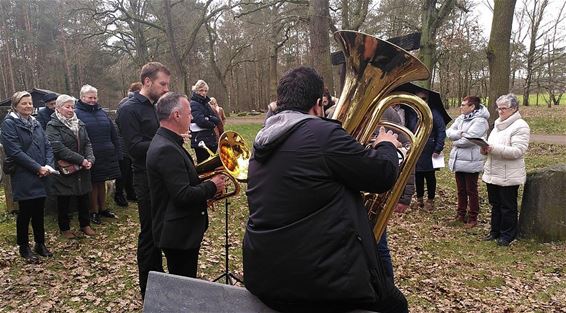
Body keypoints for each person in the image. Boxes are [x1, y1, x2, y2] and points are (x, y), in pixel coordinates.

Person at [243, 67, 407, 313]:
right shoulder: (322, 134)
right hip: (317, 281)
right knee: (395, 304)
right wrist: (386, 145)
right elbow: (382, 175)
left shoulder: (263, 137)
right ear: (319, 103)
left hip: (265, 273)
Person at [146, 92, 225, 277]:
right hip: (178, 235)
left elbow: (180, 181)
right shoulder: (166, 148)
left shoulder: (168, 141)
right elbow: (182, 195)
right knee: (184, 283)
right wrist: (212, 186)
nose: (191, 117)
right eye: (189, 113)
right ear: (176, 115)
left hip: (179, 231)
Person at [116, 61, 170, 298]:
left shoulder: (157, 105)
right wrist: (169, 140)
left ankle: (164, 279)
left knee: (164, 228)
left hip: (163, 174)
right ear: (147, 82)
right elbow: (134, 147)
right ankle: (149, 289)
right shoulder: (128, 109)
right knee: (149, 232)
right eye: (162, 84)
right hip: (144, 177)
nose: (166, 88)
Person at [1, 91, 54, 261]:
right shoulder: (9, 124)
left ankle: (40, 243)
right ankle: (23, 246)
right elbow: (15, 151)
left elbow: (47, 145)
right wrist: (37, 167)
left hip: (42, 172)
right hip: (24, 173)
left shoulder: (36, 122)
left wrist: (47, 165)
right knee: (25, 212)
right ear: (15, 105)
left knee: (39, 209)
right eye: (24, 103)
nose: (28, 106)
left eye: (30, 103)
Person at [481, 93, 530, 246]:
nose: (500, 111)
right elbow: (491, 147)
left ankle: (507, 235)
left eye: (504, 108)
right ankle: (494, 231)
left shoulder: (520, 126)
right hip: (493, 171)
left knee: (507, 207)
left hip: (509, 173)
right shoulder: (497, 126)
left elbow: (517, 151)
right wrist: (484, 149)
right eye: (499, 108)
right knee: (495, 204)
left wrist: (493, 149)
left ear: (514, 109)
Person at [46, 94, 96, 239]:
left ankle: (85, 224)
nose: (71, 110)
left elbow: (87, 142)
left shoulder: (79, 123)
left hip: (83, 167)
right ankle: (64, 227)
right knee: (64, 198)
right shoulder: (52, 125)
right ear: (58, 108)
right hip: (65, 167)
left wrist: (90, 159)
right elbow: (58, 148)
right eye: (67, 107)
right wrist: (81, 160)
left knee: (83, 196)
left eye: (72, 107)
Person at [75, 85, 120, 224]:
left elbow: (113, 132)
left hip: (106, 152)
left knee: (102, 181)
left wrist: (117, 150)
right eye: (90, 97)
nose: (93, 100)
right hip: (89, 153)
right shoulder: (77, 113)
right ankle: (93, 211)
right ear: (82, 97)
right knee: (93, 183)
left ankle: (103, 208)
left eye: (95, 97)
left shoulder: (102, 112)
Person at [446, 96, 489, 228]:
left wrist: (456, 140)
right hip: (459, 159)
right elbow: (448, 132)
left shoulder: (480, 121)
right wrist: (460, 133)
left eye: (464, 105)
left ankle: (473, 217)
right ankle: (460, 214)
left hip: (472, 160)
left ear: (472, 107)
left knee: (471, 190)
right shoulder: (461, 118)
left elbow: (469, 140)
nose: (461, 106)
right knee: (461, 190)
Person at [412, 91, 446, 211]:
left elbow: (441, 131)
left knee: (430, 175)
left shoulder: (434, 113)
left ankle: (430, 200)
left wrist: (438, 148)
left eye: (423, 98)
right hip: (416, 150)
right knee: (418, 175)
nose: (421, 100)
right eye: (418, 98)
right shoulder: (414, 112)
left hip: (431, 149)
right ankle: (419, 199)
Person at [113, 82, 142, 207]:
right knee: (123, 171)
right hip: (123, 142)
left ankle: (131, 193)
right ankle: (119, 194)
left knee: (130, 170)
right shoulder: (125, 104)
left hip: (132, 142)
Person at [189, 80, 220, 163]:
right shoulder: (193, 104)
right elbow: (201, 121)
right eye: (201, 90)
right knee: (204, 166)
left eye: (205, 91)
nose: (203, 93)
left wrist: (208, 118)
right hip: (199, 140)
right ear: (196, 91)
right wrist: (212, 124)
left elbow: (217, 119)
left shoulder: (206, 103)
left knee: (211, 165)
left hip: (210, 139)